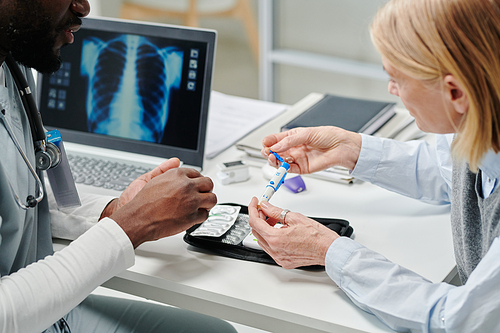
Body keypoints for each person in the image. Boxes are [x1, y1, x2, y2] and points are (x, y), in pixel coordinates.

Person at [248, 0, 500, 331]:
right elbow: (448, 171)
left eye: (396, 78)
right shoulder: (479, 125)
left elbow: (455, 321)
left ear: (454, 92)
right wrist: (349, 149)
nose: (391, 90)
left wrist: (329, 252)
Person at [0, 1, 237, 332]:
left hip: (43, 310)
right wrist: (133, 224)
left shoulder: (11, 57)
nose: (84, 6)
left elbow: (18, 194)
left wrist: (115, 210)